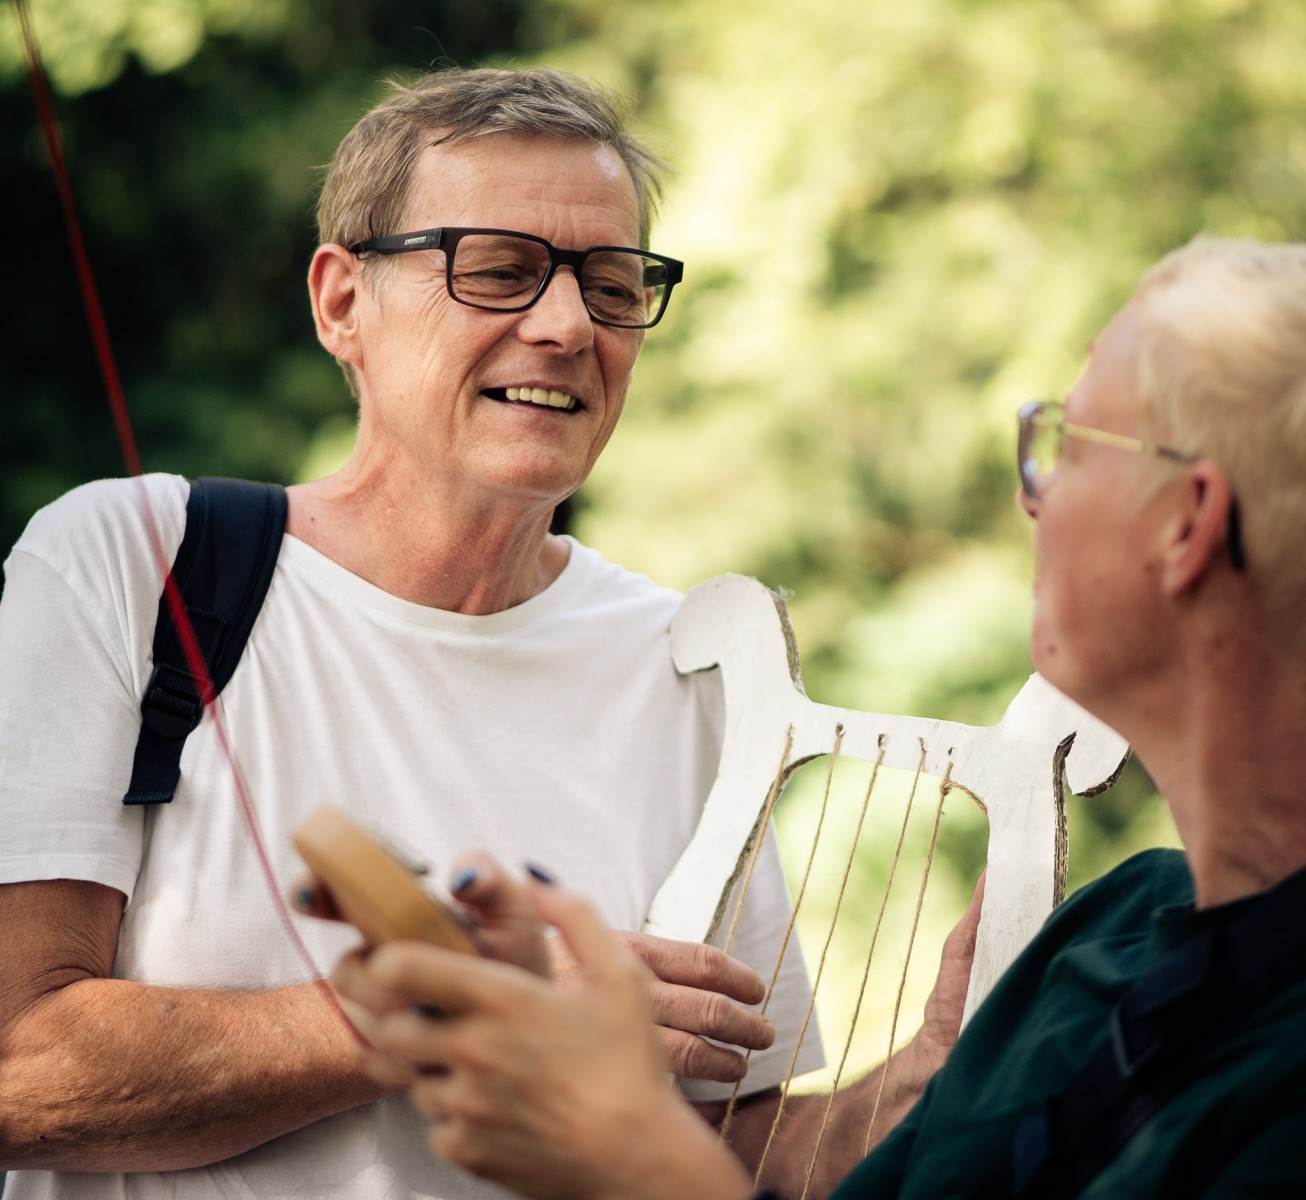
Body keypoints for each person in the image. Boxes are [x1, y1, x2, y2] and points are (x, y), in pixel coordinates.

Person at [329, 234, 1306, 1199]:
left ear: (1187, 524)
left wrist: (633, 1153)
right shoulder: (1106, 936)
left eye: (1067, 445)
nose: (1032, 500)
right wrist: (533, 1026)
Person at [0, 66, 823, 1200]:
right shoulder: (132, 562)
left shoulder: (680, 662)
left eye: (616, 285)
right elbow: (17, 1075)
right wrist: (472, 1009)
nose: (567, 326)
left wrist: (946, 1073)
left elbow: (735, 1150)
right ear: (342, 304)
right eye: (497, 272)